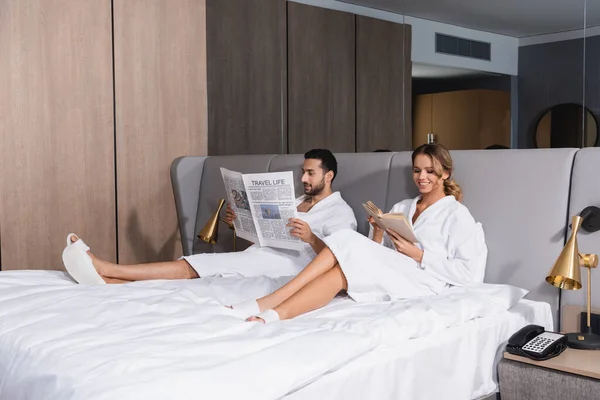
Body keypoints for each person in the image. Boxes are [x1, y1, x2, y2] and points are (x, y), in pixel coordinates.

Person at [231, 143, 488, 323]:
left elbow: (470, 274)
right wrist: (377, 234)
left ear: (445, 173)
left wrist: (420, 255)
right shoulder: (402, 207)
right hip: (395, 271)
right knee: (341, 273)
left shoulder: (457, 216)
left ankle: (273, 299)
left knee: (344, 239)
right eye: (417, 170)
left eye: (430, 171)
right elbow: (380, 255)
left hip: (424, 281)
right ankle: (276, 315)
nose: (422, 177)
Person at [62, 149, 357, 284]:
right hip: (262, 253)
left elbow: (341, 258)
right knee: (203, 269)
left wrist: (310, 237)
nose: (304, 178)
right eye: (302, 172)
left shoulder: (341, 213)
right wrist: (239, 221)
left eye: (310, 173)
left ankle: (108, 268)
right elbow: (268, 232)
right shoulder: (296, 200)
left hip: (288, 266)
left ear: (328, 175)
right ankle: (110, 281)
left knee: (200, 265)